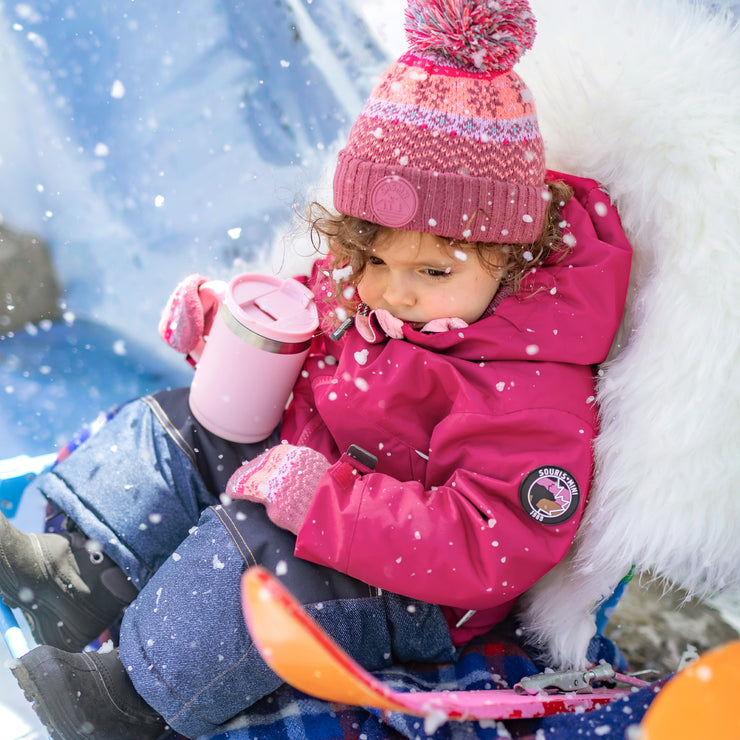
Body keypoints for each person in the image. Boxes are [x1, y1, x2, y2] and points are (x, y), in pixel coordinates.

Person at [1, 1, 632, 738]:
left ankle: (133, 698)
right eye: (371, 258)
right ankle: (79, 575)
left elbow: (486, 540)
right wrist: (226, 332)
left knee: (263, 543)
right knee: (196, 419)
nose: (394, 290)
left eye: (431, 269)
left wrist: (325, 506)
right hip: (325, 482)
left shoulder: (529, 379)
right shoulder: (379, 290)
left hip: (411, 587)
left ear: (511, 256)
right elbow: (310, 332)